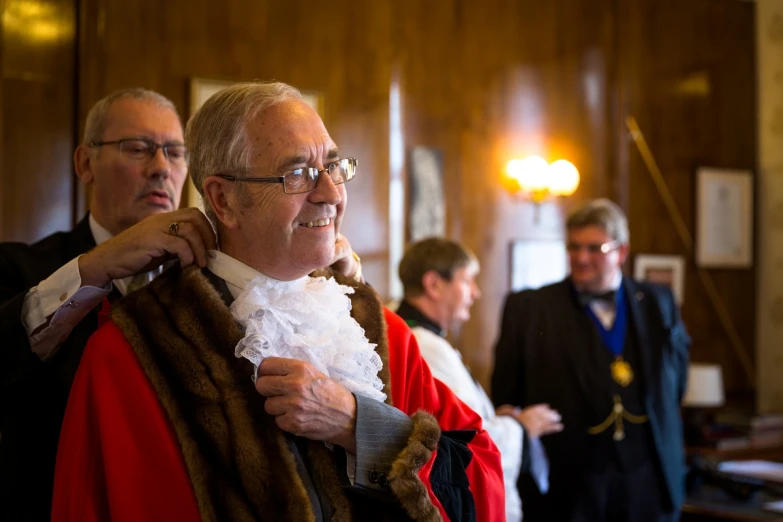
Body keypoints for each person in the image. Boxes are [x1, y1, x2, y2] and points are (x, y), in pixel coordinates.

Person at [52, 82, 504, 522]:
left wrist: (356, 424)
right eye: (298, 173)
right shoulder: (134, 350)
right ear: (223, 199)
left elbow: (481, 478)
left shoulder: (379, 330)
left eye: (332, 165)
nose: (330, 193)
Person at [0, 87, 362, 521]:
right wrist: (96, 267)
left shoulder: (245, 281)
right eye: (137, 149)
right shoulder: (19, 267)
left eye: (175, 152)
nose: (161, 168)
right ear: (84, 163)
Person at [491, 198, 690, 522]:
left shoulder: (658, 301)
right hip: (567, 483)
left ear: (621, 252)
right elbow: (506, 395)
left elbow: (676, 380)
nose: (581, 258)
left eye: (595, 248)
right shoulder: (529, 308)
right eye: (574, 247)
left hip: (648, 478)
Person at [395, 237, 563, 522]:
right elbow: (464, 441)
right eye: (467, 280)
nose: (476, 292)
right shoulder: (424, 346)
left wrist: (495, 417)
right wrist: (522, 427)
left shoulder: (417, 336)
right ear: (434, 284)